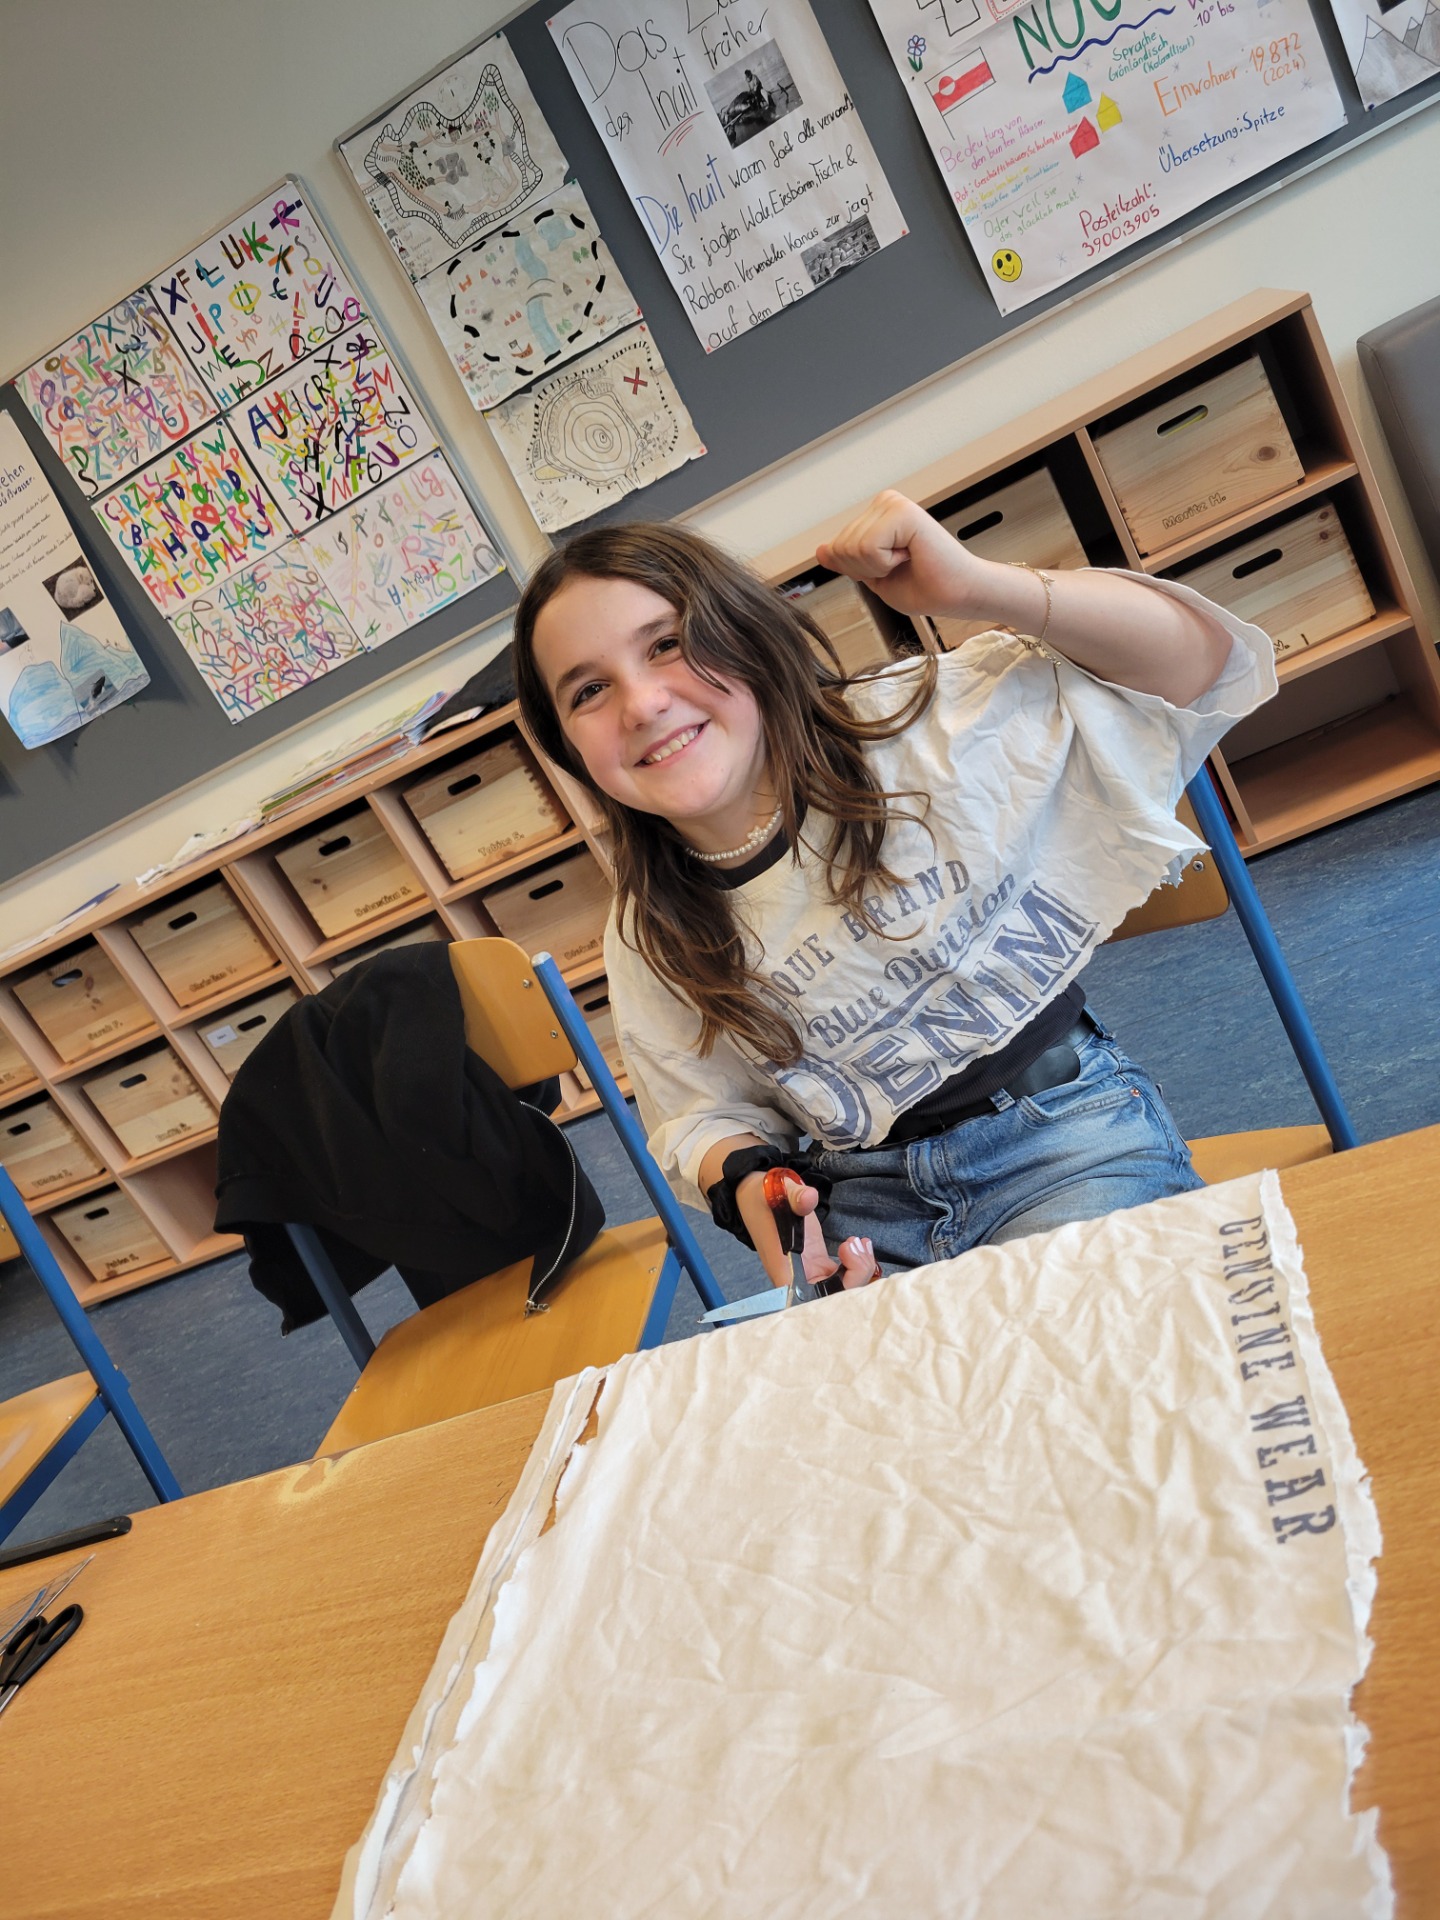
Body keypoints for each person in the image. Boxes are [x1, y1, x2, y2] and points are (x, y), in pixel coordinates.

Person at [514, 490, 1276, 1293]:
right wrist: (760, 1194)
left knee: (1073, 1335)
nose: (641, 704)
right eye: (587, 691)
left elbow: (1200, 666)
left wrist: (980, 586)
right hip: (862, 1203)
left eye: (667, 644)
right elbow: (700, 1113)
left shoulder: (919, 732)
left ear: (743, 632)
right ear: (568, 747)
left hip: (1059, 1136)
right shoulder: (649, 926)